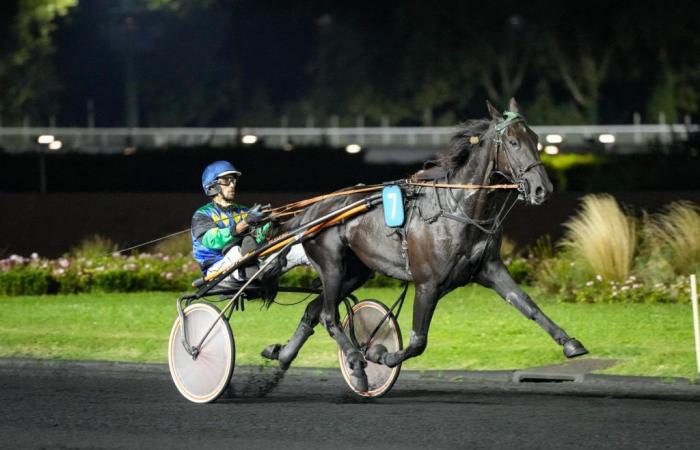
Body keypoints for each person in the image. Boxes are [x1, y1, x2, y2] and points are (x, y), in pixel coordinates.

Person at [191, 160, 308, 290]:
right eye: (226, 180)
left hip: (250, 262)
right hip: (216, 270)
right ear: (212, 185)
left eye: (234, 180)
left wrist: (272, 224)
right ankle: (250, 268)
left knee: (300, 245)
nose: (232, 185)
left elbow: (258, 237)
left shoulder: (243, 211)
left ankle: (329, 275)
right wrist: (244, 223)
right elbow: (213, 240)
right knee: (236, 250)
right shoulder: (202, 214)